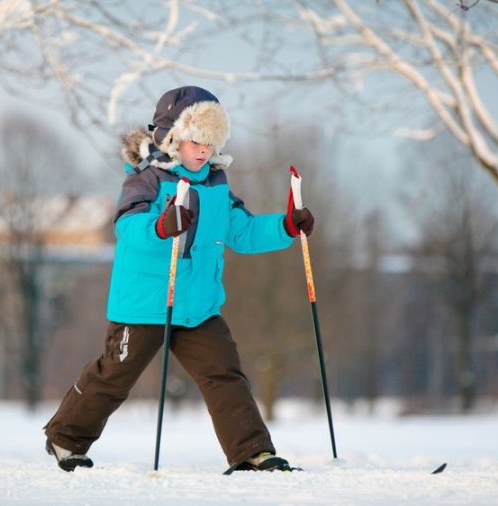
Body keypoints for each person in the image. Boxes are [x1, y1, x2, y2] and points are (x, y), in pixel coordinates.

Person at [43, 85, 314, 473]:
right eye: (195, 140)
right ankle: (65, 438)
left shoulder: (217, 183)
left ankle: (252, 453)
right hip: (144, 303)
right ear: (172, 139)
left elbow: (242, 231)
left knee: (225, 375)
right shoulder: (148, 180)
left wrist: (287, 226)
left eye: (211, 141)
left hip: (198, 305)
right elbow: (128, 228)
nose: (204, 150)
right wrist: (160, 226)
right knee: (115, 375)